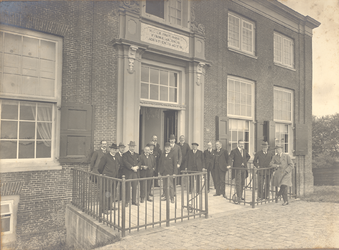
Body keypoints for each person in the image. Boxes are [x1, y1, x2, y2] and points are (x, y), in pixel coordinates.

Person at [97, 143, 119, 213]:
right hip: (107, 178)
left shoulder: (116, 157)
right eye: (112, 149)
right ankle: (104, 209)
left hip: (113, 178)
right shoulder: (105, 157)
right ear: (110, 149)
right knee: (106, 193)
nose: (113, 151)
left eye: (115, 150)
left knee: (111, 192)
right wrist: (104, 174)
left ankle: (109, 206)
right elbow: (100, 167)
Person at [228, 140, 251, 204]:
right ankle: (238, 197)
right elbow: (230, 158)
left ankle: (240, 196)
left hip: (244, 169)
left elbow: (248, 156)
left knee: (242, 183)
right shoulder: (234, 151)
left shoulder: (244, 151)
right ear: (238, 144)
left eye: (242, 144)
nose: (241, 145)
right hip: (237, 169)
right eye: (240, 144)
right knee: (238, 183)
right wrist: (229, 165)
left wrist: (245, 162)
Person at [122, 141, 140, 206]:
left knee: (135, 187)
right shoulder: (125, 155)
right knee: (127, 187)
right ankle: (127, 201)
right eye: (131, 146)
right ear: (129, 147)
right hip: (128, 172)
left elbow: (140, 161)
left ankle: (134, 201)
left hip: (135, 173)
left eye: (133, 146)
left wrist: (137, 167)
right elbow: (125, 162)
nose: (132, 148)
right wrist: (132, 167)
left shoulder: (137, 155)